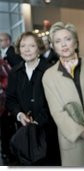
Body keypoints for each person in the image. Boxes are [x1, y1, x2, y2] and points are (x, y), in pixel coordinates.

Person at [42, 21, 84, 166]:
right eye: (58, 41)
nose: (63, 44)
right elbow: (57, 112)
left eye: (68, 39)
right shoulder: (49, 75)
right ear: (53, 46)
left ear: (76, 42)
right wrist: (82, 132)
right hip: (73, 138)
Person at [5, 31, 61, 166]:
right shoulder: (14, 72)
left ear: (39, 48)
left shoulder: (50, 70)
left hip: (48, 132)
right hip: (25, 134)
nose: (27, 50)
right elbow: (10, 99)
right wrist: (19, 114)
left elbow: (56, 102)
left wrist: (38, 120)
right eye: (23, 46)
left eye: (32, 46)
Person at [0, 32, 23, 164]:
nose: (0, 43)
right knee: (6, 128)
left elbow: (13, 76)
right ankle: (7, 152)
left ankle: (10, 153)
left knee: (9, 127)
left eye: (2, 40)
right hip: (5, 98)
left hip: (9, 97)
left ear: (8, 41)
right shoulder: (5, 55)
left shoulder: (11, 55)